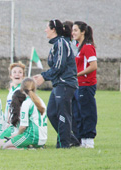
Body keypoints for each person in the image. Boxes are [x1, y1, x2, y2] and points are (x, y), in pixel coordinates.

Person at [33, 19, 80, 148]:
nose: (45, 30)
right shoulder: (57, 44)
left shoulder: (61, 43)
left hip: (65, 84)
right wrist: (44, 76)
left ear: (53, 29)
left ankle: (64, 144)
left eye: (46, 27)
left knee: (63, 114)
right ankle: (71, 139)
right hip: (58, 84)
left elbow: (59, 66)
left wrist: (44, 76)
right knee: (52, 113)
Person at [72, 21, 98, 148]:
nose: (73, 33)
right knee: (79, 113)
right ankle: (82, 140)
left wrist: (78, 74)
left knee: (88, 112)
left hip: (86, 85)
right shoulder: (79, 47)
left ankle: (89, 140)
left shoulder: (88, 47)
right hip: (79, 85)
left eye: (76, 30)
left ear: (83, 32)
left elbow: (93, 66)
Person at [1, 78, 48, 149]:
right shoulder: (40, 101)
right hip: (43, 138)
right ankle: (33, 146)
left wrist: (16, 135)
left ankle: (28, 149)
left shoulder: (27, 103)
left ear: (22, 89)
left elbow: (23, 127)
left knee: (5, 146)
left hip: (32, 137)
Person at [0, 62, 26, 139]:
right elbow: (9, 106)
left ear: (23, 76)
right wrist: (7, 118)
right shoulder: (12, 89)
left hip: (17, 123)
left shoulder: (22, 90)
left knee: (0, 141)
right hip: (10, 122)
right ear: (10, 76)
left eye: (20, 72)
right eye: (14, 72)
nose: (17, 74)